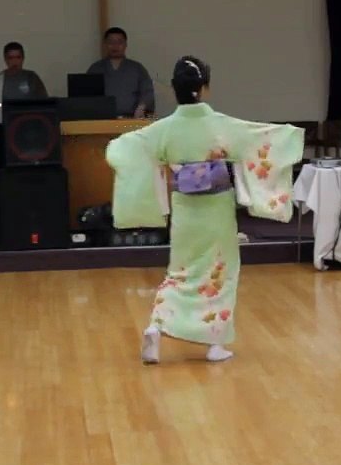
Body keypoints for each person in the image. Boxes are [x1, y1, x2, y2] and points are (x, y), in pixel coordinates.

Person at [105, 56, 303, 363]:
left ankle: (156, 327)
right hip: (216, 213)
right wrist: (291, 135)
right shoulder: (221, 125)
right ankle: (214, 345)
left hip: (185, 213)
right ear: (205, 88)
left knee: (179, 273)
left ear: (174, 89)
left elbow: (125, 148)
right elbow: (261, 140)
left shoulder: (164, 129)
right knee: (219, 275)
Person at [87, 27, 154, 118]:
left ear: (125, 44)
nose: (115, 46)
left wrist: (141, 107)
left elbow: (148, 91)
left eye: (119, 42)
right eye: (111, 42)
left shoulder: (137, 68)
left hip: (131, 118)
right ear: (105, 44)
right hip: (102, 119)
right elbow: (87, 97)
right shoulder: (95, 68)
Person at [0, 41, 48, 122]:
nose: (15, 61)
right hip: (3, 124)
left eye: (18, 57)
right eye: (11, 58)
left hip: (29, 123)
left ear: (23, 58)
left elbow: (45, 103)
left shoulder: (32, 77)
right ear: (5, 59)